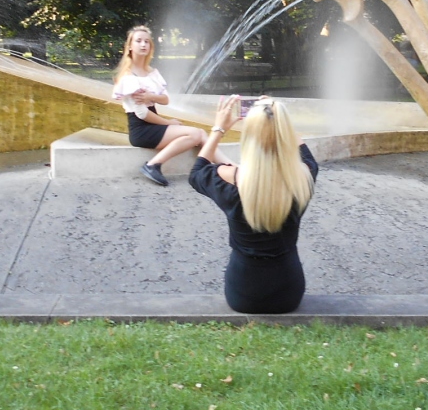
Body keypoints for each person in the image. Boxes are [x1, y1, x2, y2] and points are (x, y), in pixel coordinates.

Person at [188, 95, 317, 314]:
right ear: (285, 131)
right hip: (289, 293)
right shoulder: (304, 178)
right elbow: (306, 156)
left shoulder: (228, 179)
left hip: (243, 294)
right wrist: (278, 118)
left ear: (248, 136)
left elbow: (197, 172)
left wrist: (219, 128)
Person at [113, 25, 206, 186]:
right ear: (130, 46)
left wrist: (150, 96)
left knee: (202, 133)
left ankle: (223, 166)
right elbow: (142, 114)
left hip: (153, 125)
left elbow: (165, 99)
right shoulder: (129, 78)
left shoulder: (152, 73)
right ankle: (152, 165)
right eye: (138, 41)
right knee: (195, 134)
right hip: (142, 130)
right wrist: (168, 123)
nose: (143, 44)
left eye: (147, 42)